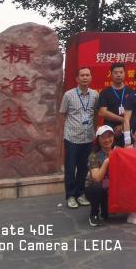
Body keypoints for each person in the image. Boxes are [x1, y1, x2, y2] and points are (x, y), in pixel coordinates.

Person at [60, 66, 99, 209]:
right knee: (70, 168)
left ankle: (80, 193)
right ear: (77, 78)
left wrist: (94, 130)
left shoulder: (95, 95)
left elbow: (95, 114)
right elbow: (63, 114)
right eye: (82, 75)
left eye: (87, 75)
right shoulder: (69, 95)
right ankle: (70, 195)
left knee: (84, 168)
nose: (85, 77)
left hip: (88, 137)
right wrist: (63, 134)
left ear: (91, 78)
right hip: (72, 137)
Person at [96, 63, 134, 147]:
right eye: (116, 73)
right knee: (111, 154)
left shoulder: (131, 91)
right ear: (111, 74)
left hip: (127, 129)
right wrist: (122, 119)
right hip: (109, 130)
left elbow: (134, 112)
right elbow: (102, 112)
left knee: (127, 153)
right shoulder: (105, 92)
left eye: (121, 72)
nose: (118, 75)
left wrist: (123, 125)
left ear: (125, 74)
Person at [85, 125, 115, 227]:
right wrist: (106, 162)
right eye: (103, 137)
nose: (107, 140)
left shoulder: (118, 151)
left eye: (109, 136)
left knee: (106, 214)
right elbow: (97, 178)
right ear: (98, 139)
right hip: (95, 188)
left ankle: (106, 207)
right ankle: (94, 214)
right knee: (96, 187)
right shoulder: (94, 155)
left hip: (111, 187)